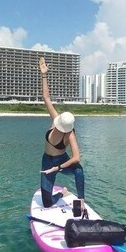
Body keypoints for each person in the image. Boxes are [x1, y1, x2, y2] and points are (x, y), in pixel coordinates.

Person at [38, 57, 84, 208]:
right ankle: (63, 192)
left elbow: (76, 157)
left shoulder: (70, 134)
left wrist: (58, 168)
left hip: (61, 162)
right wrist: (44, 74)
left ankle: (81, 202)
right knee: (46, 203)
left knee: (78, 170)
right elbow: (46, 97)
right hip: (47, 160)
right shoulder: (56, 118)